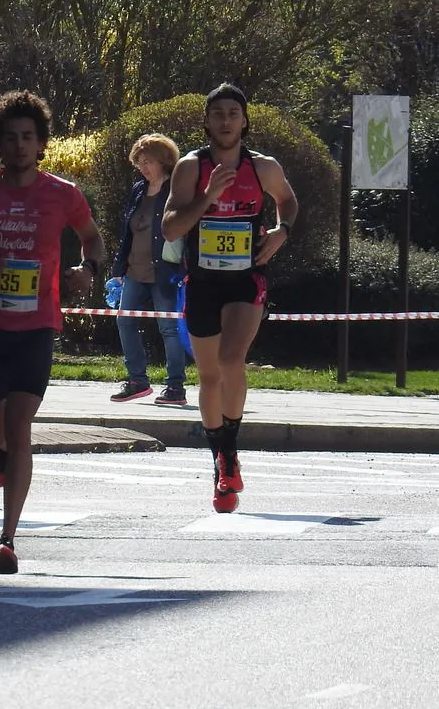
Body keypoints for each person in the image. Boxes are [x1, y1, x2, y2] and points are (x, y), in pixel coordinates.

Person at [0, 90, 106, 574]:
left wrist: (87, 268)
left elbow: (91, 236)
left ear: (41, 142)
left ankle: (6, 538)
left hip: (38, 324)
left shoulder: (63, 194)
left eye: (28, 137)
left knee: (20, 425)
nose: (20, 146)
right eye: (10, 138)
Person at [161, 83, 299, 514]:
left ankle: (230, 451)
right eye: (217, 113)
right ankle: (219, 458)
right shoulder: (190, 167)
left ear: (244, 121)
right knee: (208, 376)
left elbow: (288, 201)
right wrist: (208, 198)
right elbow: (169, 229)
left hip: (246, 279)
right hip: (201, 281)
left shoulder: (264, 167)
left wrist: (281, 231)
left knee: (230, 360)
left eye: (233, 113)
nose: (225, 121)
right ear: (207, 121)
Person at [109, 133, 188, 405]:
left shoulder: (176, 190)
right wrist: (118, 269)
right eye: (139, 162)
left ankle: (176, 387)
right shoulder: (138, 190)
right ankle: (137, 381)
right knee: (124, 320)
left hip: (166, 271)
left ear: (164, 161)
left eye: (148, 161)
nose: (143, 167)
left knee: (169, 328)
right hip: (134, 270)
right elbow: (126, 233)